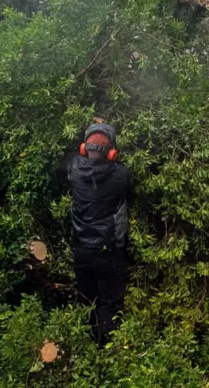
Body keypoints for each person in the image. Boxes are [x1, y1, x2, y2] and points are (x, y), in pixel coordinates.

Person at [67, 119, 133, 345]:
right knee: (110, 301)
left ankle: (84, 344)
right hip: (110, 249)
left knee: (86, 297)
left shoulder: (74, 169)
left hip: (81, 248)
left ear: (84, 149)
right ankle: (106, 347)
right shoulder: (120, 175)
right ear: (113, 153)